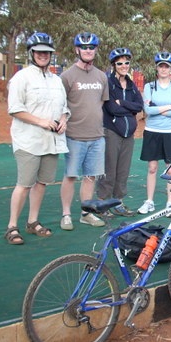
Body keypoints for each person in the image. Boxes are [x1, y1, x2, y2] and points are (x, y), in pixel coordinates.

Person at [5, 32, 70, 244]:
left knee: (42, 183)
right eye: (39, 52)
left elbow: (64, 108)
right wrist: (41, 121)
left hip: (51, 141)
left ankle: (33, 222)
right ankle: (12, 226)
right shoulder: (21, 78)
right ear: (31, 53)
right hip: (29, 140)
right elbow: (15, 109)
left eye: (47, 52)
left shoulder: (56, 80)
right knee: (24, 183)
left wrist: (63, 120)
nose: (43, 55)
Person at [59, 32, 109, 230]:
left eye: (91, 47)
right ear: (76, 50)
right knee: (71, 176)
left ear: (95, 50)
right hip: (74, 136)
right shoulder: (67, 76)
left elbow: (101, 102)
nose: (88, 51)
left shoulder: (101, 76)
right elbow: (60, 104)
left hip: (97, 136)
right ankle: (66, 215)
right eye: (84, 47)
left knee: (91, 177)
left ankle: (85, 214)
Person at [96, 48, 143, 216]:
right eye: (120, 63)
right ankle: (103, 202)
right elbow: (112, 108)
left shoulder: (130, 84)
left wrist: (122, 102)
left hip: (128, 134)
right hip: (112, 131)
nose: (124, 66)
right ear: (114, 65)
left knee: (123, 170)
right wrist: (127, 109)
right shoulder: (108, 83)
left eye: (126, 63)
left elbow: (139, 105)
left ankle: (118, 201)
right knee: (109, 168)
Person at [138, 52, 171, 215]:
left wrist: (158, 109)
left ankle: (170, 204)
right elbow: (147, 110)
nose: (164, 69)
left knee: (170, 170)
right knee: (152, 167)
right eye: (161, 66)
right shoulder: (149, 86)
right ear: (157, 68)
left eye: (167, 66)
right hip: (152, 131)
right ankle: (149, 201)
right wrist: (168, 107)